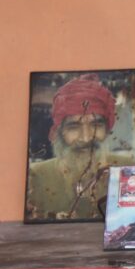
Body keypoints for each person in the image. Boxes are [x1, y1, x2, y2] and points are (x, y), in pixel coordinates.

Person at [26, 74, 127, 221]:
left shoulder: (126, 168)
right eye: (74, 126)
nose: (86, 138)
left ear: (107, 129)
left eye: (96, 124)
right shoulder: (37, 175)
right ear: (59, 132)